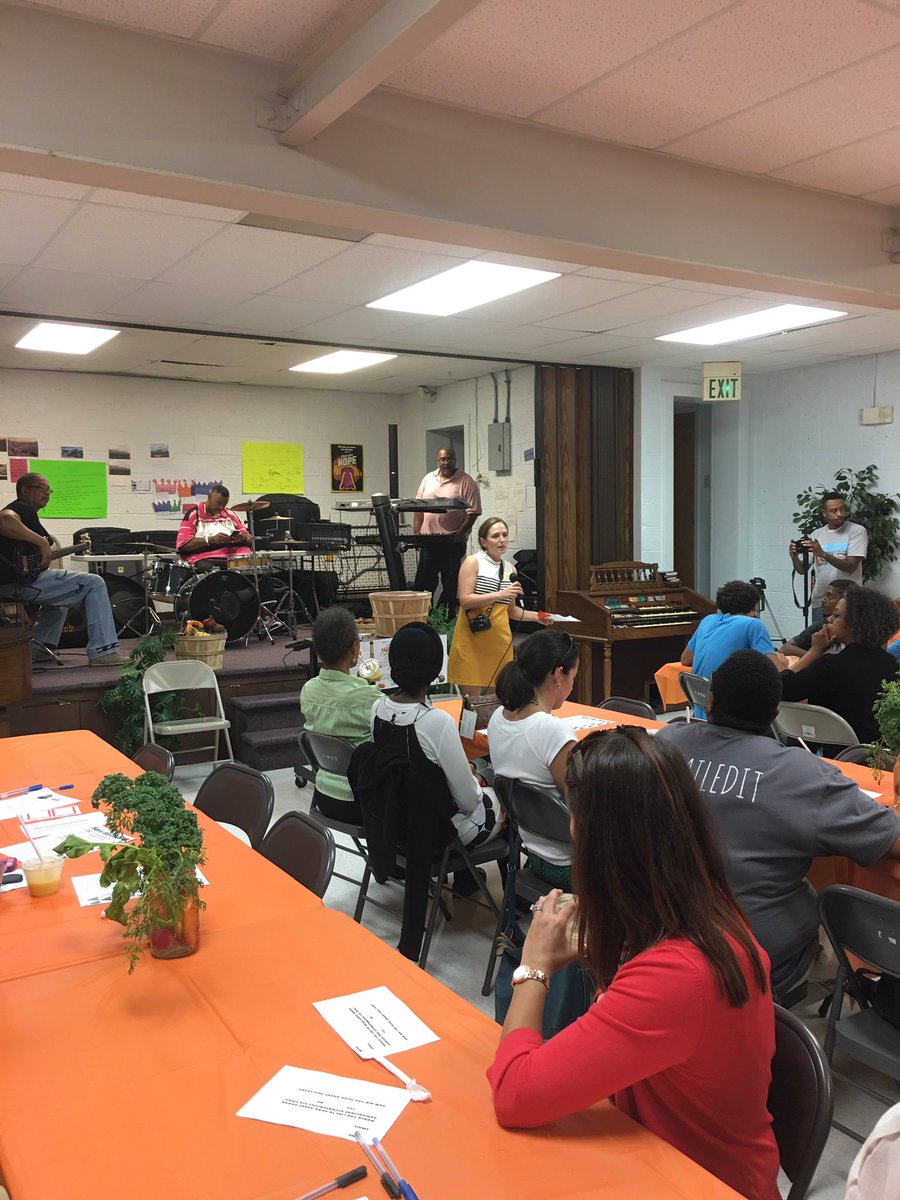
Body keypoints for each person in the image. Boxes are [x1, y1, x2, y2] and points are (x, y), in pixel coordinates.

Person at [487, 727, 779, 1200]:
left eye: (575, 819)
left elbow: (514, 1094)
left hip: (693, 1183)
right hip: (661, 1157)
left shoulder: (676, 975)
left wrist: (534, 968)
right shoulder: (704, 907)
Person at [657, 650, 900, 995]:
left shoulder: (663, 745)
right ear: (775, 713)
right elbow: (891, 839)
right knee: (853, 942)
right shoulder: (805, 777)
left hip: (661, 936)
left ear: (709, 701)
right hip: (761, 958)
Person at [372, 621, 497, 848]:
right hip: (437, 831)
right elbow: (469, 802)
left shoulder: (377, 709)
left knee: (478, 769)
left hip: (392, 823)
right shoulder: (437, 722)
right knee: (504, 794)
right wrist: (475, 782)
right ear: (435, 669)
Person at [0, 473, 126, 667]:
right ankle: (104, 651)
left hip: (12, 584)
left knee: (61, 598)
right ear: (25, 490)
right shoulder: (22, 507)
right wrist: (42, 543)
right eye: (42, 489)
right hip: (18, 584)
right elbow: (4, 519)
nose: (47, 494)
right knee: (95, 583)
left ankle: (40, 648)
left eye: (49, 490)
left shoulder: (27, 514)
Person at [487, 629, 580, 887]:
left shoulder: (498, 718)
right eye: (573, 676)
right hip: (570, 865)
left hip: (533, 852)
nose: (573, 685)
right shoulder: (553, 731)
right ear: (559, 675)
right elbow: (583, 806)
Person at [780, 586, 899, 743]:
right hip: (879, 752)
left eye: (835, 616)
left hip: (833, 751)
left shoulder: (832, 666)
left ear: (854, 624)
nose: (828, 620)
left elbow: (779, 690)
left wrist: (814, 651)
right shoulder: (892, 665)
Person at [447, 516, 550, 693]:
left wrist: (538, 616)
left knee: (497, 698)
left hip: (499, 640)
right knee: (472, 700)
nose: (502, 540)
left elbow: (512, 610)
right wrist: (500, 594)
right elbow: (465, 599)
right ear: (483, 542)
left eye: (504, 535)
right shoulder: (473, 562)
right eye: (495, 536)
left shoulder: (510, 568)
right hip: (473, 637)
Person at [298, 607, 380, 822]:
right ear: (355, 648)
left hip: (324, 796)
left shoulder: (308, 690)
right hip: (361, 801)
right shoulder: (369, 697)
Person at [681, 579, 785, 715]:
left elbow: (686, 659)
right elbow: (779, 671)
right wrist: (782, 661)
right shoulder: (753, 624)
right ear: (752, 608)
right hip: (729, 715)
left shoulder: (708, 620)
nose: (755, 613)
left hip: (701, 714)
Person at [412, 446, 481, 616]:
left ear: (455, 460)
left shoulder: (466, 481)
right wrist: (417, 534)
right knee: (423, 584)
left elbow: (473, 512)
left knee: (450, 585)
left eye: (449, 459)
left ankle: (444, 620)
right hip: (429, 541)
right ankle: (423, 618)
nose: (446, 462)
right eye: (442, 459)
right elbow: (417, 508)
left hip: (451, 542)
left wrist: (460, 534)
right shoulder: (428, 479)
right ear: (438, 461)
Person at [789, 491, 867, 624]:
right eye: (834, 510)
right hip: (821, 601)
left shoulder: (857, 531)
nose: (839, 514)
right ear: (824, 513)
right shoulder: (817, 534)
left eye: (842, 509)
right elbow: (802, 570)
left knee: (845, 636)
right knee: (820, 635)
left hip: (848, 601)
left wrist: (823, 554)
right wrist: (794, 557)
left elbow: (851, 566)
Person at [175, 485, 252, 566]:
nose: (221, 507)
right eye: (218, 503)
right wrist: (211, 540)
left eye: (224, 505)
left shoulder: (230, 514)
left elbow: (250, 540)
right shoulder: (194, 514)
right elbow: (183, 546)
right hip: (207, 558)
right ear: (209, 497)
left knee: (254, 564)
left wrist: (243, 538)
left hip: (237, 558)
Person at [780, 577, 856, 659]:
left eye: (829, 596)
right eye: (824, 595)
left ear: (844, 600)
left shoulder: (859, 630)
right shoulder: (824, 624)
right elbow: (785, 648)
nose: (823, 600)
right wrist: (818, 655)